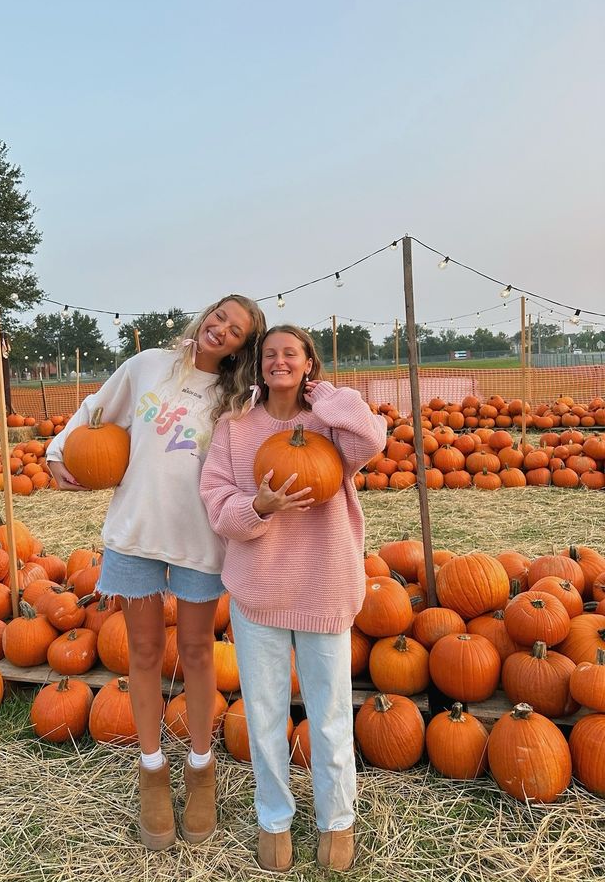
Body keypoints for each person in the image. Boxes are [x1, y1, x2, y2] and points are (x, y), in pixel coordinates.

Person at [46, 295, 267, 850]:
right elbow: (95, 410)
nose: (220, 329)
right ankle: (151, 772)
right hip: (136, 531)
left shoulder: (238, 398)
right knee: (141, 653)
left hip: (199, 538)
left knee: (195, 654)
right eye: (218, 317)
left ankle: (199, 769)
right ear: (203, 318)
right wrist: (57, 455)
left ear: (244, 345)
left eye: (235, 329)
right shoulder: (146, 366)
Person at [199, 325, 387, 873]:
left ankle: (337, 820)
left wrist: (321, 395)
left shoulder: (331, 421)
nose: (279, 362)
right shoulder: (235, 427)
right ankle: (274, 819)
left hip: (324, 585)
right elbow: (215, 499)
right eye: (270, 355)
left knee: (330, 715)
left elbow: (372, 439)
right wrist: (256, 507)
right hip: (258, 589)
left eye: (291, 354)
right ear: (257, 365)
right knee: (264, 714)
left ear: (309, 362)